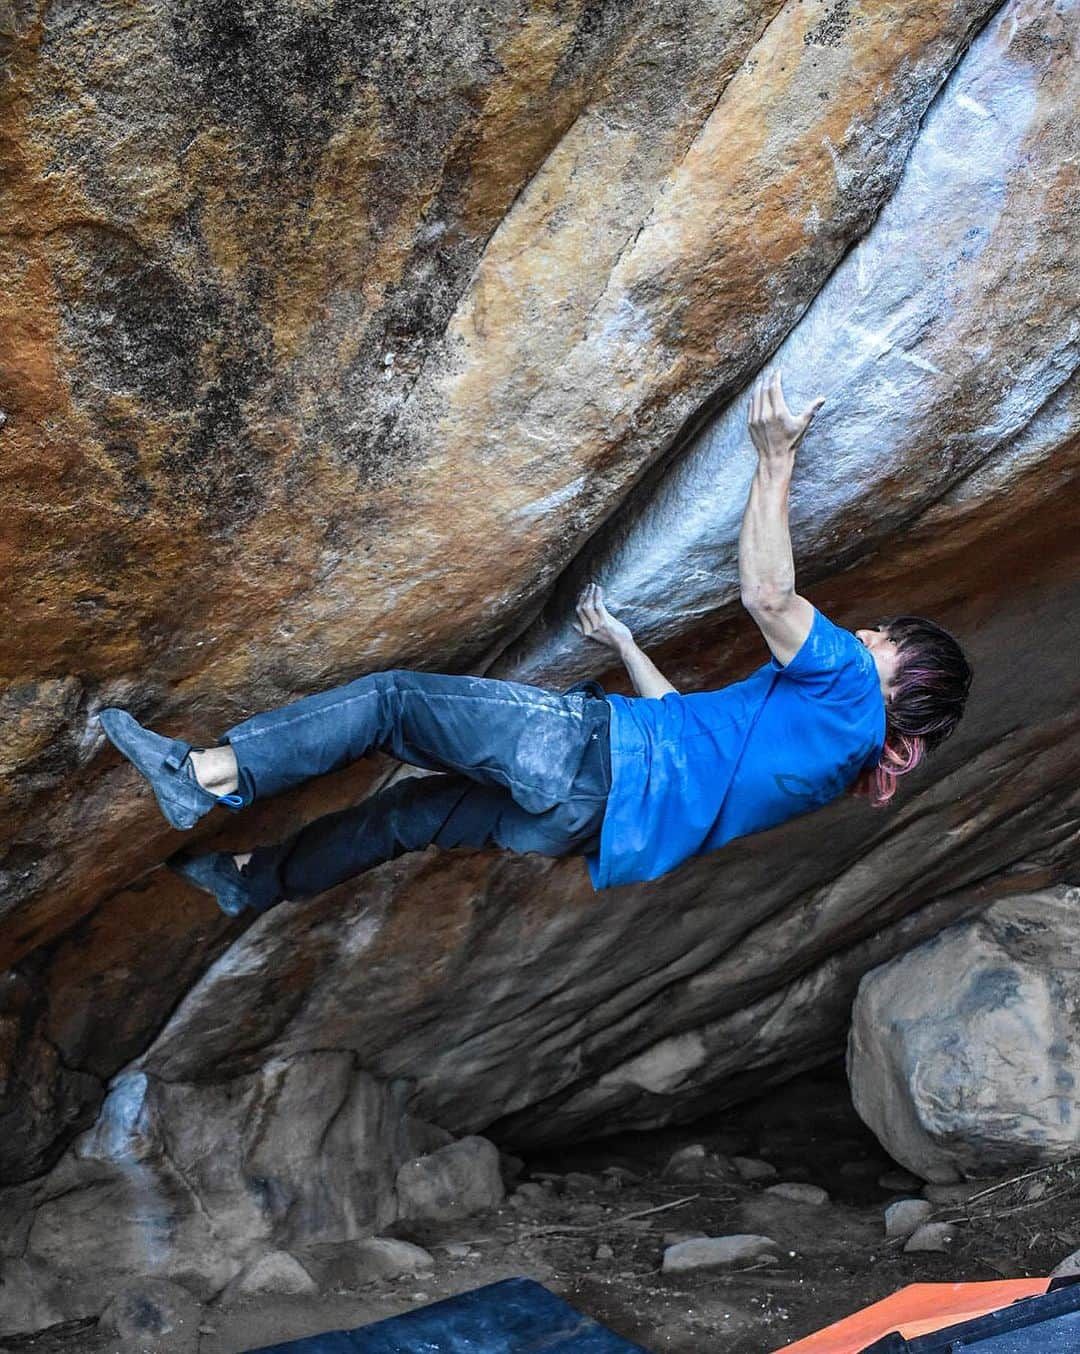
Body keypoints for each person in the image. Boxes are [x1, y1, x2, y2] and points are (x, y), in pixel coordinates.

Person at [98, 371, 971, 915]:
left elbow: (768, 593)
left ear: (904, 682)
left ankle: (202, 777)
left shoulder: (851, 688)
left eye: (886, 639)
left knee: (396, 702)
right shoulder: (831, 756)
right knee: (405, 817)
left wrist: (774, 459)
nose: (864, 635)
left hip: (591, 759)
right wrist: (625, 642)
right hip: (589, 824)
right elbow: (688, 726)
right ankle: (254, 881)